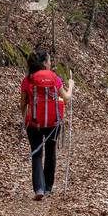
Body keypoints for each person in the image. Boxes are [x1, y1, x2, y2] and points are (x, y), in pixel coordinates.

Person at [20, 46, 74, 200]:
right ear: (44, 63)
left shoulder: (28, 79)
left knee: (37, 154)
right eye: (49, 61)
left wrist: (25, 120)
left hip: (34, 123)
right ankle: (48, 187)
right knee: (51, 153)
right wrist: (71, 85)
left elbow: (23, 103)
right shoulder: (54, 78)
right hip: (53, 123)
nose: (51, 63)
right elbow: (66, 97)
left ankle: (39, 189)